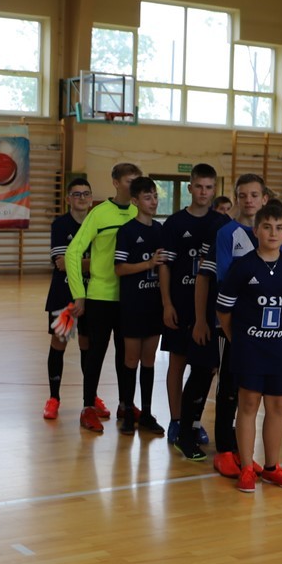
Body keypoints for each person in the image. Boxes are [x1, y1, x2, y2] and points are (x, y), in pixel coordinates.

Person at [215, 199, 282, 495]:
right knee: (249, 405)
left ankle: (272, 467)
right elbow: (223, 310)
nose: (273, 233)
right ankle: (246, 468)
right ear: (256, 231)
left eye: (279, 227)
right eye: (267, 227)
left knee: (277, 407)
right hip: (249, 350)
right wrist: (237, 339)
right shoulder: (243, 267)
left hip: (278, 351)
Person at [64, 162, 141, 435]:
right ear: (116, 183)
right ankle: (88, 407)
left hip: (130, 299)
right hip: (100, 297)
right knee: (95, 354)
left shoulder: (138, 212)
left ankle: (125, 405)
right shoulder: (99, 213)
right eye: (129, 181)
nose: (134, 186)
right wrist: (79, 294)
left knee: (127, 355)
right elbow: (72, 253)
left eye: (137, 180)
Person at [158, 163, 226, 460]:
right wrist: (167, 304)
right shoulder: (174, 223)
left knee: (205, 368)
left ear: (214, 189)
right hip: (181, 304)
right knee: (178, 362)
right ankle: (176, 420)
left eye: (209, 187)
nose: (203, 192)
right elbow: (165, 267)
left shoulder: (221, 223)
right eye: (199, 186)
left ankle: (193, 421)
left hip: (209, 308)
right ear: (190, 188)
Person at [206, 173, 265, 476]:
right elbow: (225, 278)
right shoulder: (227, 233)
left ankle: (244, 450)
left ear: (264, 199)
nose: (248, 200)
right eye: (242, 195)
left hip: (262, 326)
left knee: (250, 388)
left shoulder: (270, 231)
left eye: (254, 195)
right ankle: (224, 449)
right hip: (232, 322)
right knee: (228, 386)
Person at [112, 176, 167, 435]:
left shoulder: (160, 230)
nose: (153, 201)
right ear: (135, 201)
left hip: (154, 304)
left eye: (155, 196)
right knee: (130, 359)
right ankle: (127, 412)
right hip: (133, 304)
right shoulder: (127, 231)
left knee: (149, 360)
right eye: (147, 197)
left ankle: (146, 413)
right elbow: (119, 268)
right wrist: (148, 264)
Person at [42, 175, 93, 421]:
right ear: (68, 199)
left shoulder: (97, 223)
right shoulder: (61, 225)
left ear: (91, 198)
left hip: (92, 296)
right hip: (65, 296)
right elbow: (62, 264)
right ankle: (54, 398)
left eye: (86, 194)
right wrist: (95, 263)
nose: (82, 198)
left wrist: (78, 263)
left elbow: (72, 262)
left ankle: (91, 399)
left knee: (88, 346)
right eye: (76, 194)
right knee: (59, 343)